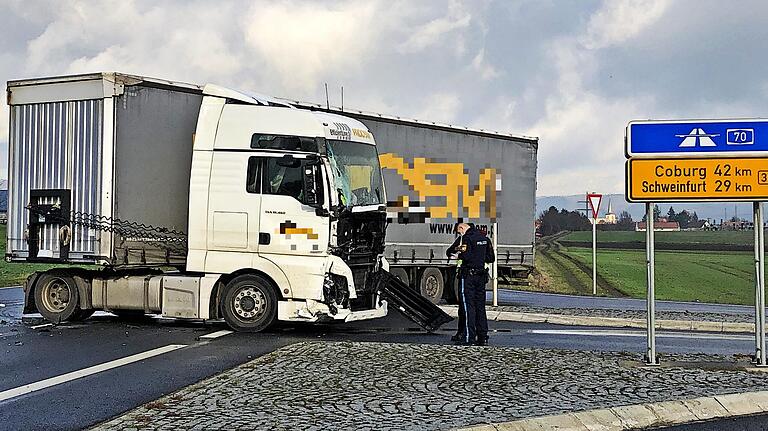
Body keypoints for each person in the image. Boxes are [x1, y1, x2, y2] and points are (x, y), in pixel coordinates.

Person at [446, 222, 495, 346]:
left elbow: (466, 256)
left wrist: (459, 254)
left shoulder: (467, 239)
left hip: (468, 276)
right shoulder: (485, 239)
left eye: (459, 231)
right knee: (480, 308)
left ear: (462, 228)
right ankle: (483, 336)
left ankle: (469, 337)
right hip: (481, 277)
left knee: (468, 308)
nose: (460, 234)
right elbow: (491, 258)